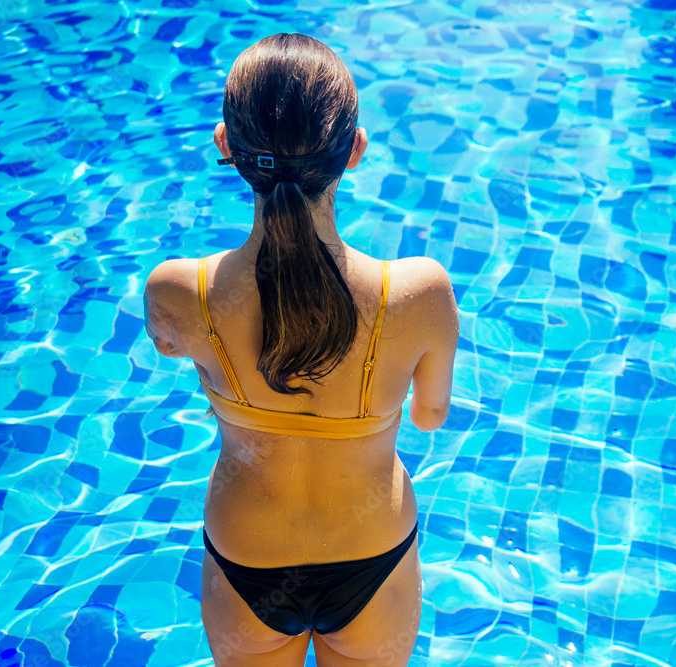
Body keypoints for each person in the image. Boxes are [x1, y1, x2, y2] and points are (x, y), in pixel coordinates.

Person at [142, 33, 459, 666]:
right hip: (372, 551)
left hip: (247, 557)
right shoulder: (419, 292)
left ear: (226, 146)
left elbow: (174, 348)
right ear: (355, 151)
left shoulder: (179, 290)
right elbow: (430, 416)